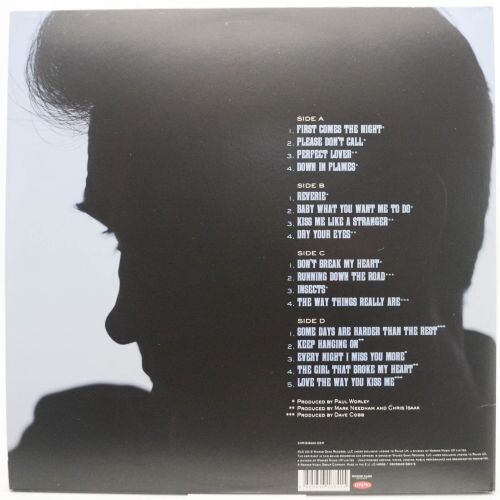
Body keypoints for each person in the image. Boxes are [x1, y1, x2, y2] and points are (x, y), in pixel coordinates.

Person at [9, 8, 494, 493]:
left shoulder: (79, 464)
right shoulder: (69, 459)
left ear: (386, 237)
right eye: (119, 239)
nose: (121, 323)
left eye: (180, 252)